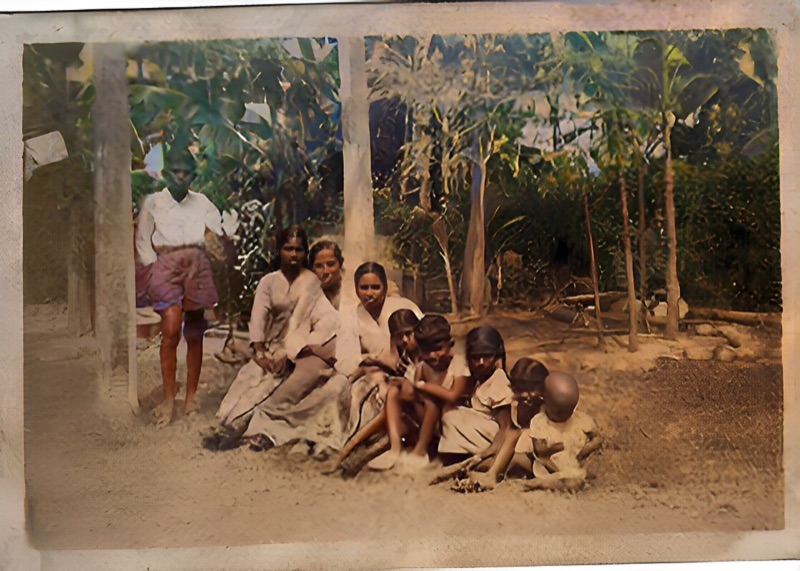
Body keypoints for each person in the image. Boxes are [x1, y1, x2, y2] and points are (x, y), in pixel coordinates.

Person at [203, 225, 339, 450]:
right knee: (251, 381)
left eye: (298, 249)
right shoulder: (268, 282)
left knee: (276, 390)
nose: (293, 255)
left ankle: (246, 430)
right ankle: (227, 426)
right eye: (288, 249)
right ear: (279, 251)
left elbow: (326, 321)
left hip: (295, 351)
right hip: (267, 350)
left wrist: (294, 351)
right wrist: (259, 352)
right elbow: (258, 321)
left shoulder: (312, 283)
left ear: (305, 252)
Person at [134, 147, 225, 426]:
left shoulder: (202, 202)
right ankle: (169, 399)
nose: (182, 177)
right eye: (176, 171)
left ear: (193, 175)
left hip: (195, 266)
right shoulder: (153, 202)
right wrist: (156, 266)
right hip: (167, 267)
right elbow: (142, 240)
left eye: (187, 172)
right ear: (166, 173)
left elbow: (217, 232)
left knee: (195, 332)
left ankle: (191, 398)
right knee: (171, 329)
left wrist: (210, 247)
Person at [335, 262, 423, 448]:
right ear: (356, 289)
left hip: (413, 372)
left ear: (385, 287)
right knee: (357, 396)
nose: (370, 293)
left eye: (375, 287)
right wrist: (373, 359)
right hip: (375, 375)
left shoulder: (404, 307)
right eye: (364, 287)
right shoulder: (350, 317)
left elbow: (429, 336)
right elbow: (344, 361)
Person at [421, 325, 518, 486]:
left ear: (496, 356)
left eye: (487, 357)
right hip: (482, 431)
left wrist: (490, 454)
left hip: (495, 439)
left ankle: (458, 460)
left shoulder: (499, 381)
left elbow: (506, 427)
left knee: (451, 416)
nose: (480, 362)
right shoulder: (480, 379)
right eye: (475, 357)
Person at [337, 309, 421, 467]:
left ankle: (353, 447)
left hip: (418, 411)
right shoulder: (404, 354)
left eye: (409, 333)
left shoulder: (425, 354)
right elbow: (391, 366)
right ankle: (353, 447)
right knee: (363, 389)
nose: (404, 339)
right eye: (399, 336)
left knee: (388, 402)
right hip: (403, 407)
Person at [519, 372, 603, 491]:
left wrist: (585, 450)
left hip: (574, 466)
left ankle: (543, 483)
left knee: (576, 479)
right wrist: (552, 449)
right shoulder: (540, 421)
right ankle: (544, 482)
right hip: (548, 468)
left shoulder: (582, 420)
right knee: (566, 480)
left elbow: (597, 438)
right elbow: (539, 451)